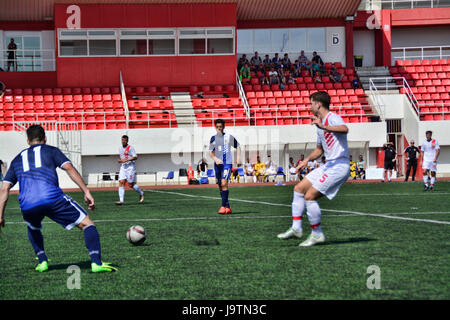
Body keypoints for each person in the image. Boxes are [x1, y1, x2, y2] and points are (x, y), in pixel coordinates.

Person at [0, 125, 117, 273]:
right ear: (45, 138)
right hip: (52, 198)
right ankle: (96, 263)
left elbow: (4, 189)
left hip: (27, 203)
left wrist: (0, 216)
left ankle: (42, 262)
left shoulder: (17, 159)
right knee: (87, 224)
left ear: (28, 141)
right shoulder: (51, 150)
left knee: (33, 226)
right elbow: (69, 168)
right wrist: (86, 191)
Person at [277, 91, 350, 247]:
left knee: (309, 196)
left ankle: (317, 235)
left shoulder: (331, 118)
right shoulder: (320, 124)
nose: (309, 106)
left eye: (311, 103)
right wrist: (306, 161)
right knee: (298, 189)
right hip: (329, 165)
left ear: (318, 104)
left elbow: (345, 129)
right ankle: (296, 228)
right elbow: (319, 149)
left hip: (339, 166)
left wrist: (324, 126)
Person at [209, 119, 241, 214]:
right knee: (219, 184)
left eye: (221, 127)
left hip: (227, 163)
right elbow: (211, 152)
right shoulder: (213, 138)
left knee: (224, 182)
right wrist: (215, 159)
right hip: (217, 165)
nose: (219, 129)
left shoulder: (229, 137)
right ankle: (227, 206)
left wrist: (238, 158)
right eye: (217, 127)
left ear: (223, 127)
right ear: (215, 127)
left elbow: (238, 146)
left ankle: (223, 206)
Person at [115, 135, 144, 205]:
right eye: (122, 140)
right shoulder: (120, 148)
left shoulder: (130, 148)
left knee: (130, 185)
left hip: (130, 167)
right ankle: (121, 201)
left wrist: (127, 159)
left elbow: (135, 157)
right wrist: (119, 160)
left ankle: (141, 193)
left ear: (127, 141)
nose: (123, 141)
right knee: (121, 182)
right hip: (123, 167)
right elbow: (121, 158)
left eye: (124, 140)